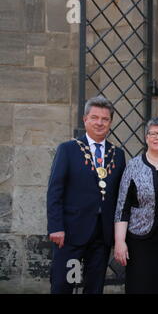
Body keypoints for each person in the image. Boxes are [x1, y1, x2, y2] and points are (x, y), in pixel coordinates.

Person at [47, 96, 126, 294]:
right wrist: (56, 227)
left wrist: (119, 237)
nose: (99, 123)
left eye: (105, 119)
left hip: (102, 234)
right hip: (70, 233)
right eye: (95, 117)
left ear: (110, 122)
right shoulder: (68, 149)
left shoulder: (117, 154)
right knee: (64, 285)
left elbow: (120, 196)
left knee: (95, 287)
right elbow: (55, 191)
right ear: (85, 119)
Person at [114, 117, 158, 294]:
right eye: (153, 133)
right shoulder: (133, 166)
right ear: (146, 137)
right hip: (140, 239)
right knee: (140, 286)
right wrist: (119, 241)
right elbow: (122, 207)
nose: (157, 137)